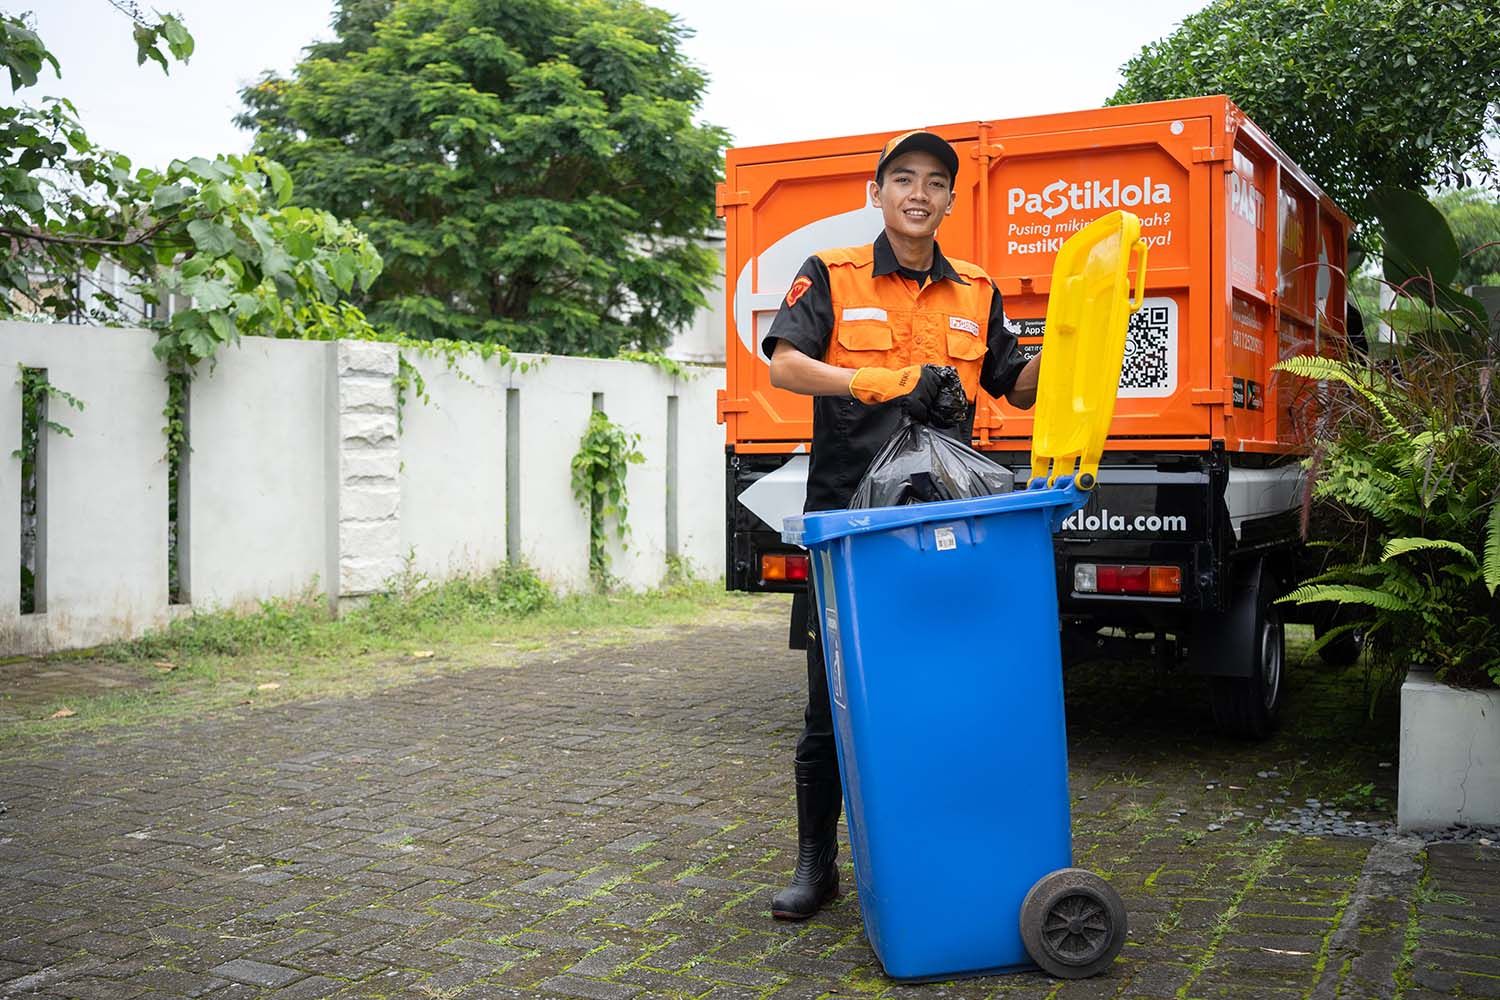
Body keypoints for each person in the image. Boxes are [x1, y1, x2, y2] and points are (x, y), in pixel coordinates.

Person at [759, 129, 1041, 920]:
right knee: (831, 705)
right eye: (904, 179)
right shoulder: (832, 272)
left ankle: (938, 856)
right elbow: (784, 364)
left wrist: (1075, 343)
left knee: (946, 693)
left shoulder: (978, 290)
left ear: (951, 200)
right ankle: (817, 866)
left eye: (935, 182)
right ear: (877, 193)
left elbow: (1014, 386)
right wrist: (879, 380)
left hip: (946, 528)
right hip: (850, 527)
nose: (919, 193)